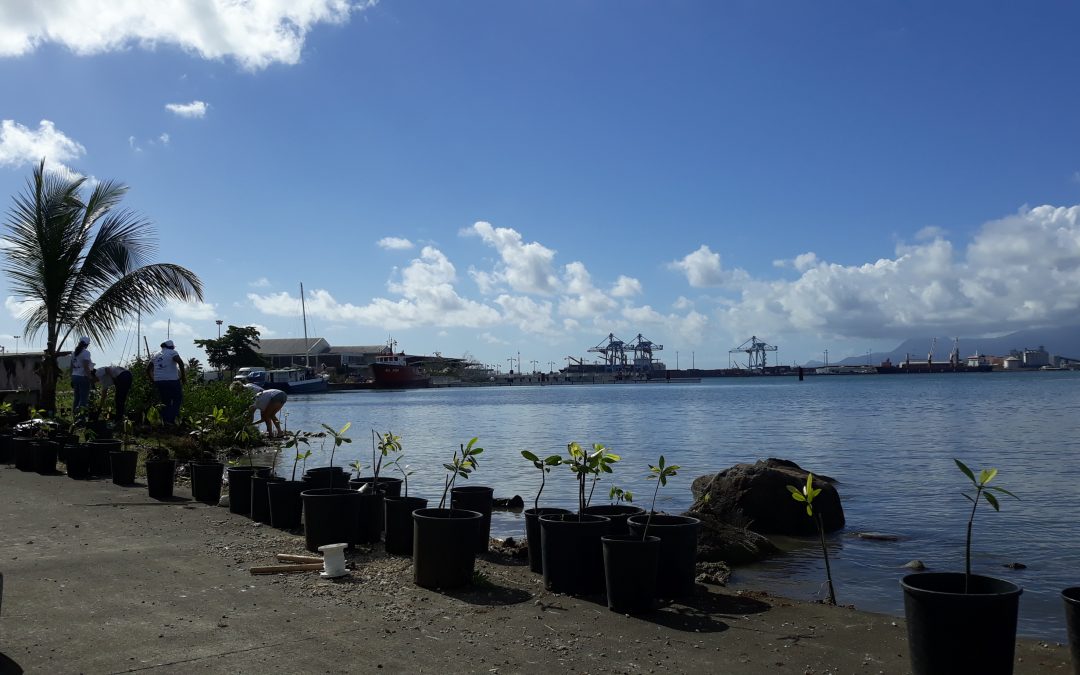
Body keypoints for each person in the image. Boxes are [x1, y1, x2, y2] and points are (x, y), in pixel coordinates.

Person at [147, 340, 185, 424]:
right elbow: (180, 362)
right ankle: (170, 419)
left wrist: (152, 380)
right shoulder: (172, 352)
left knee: (165, 401)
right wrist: (183, 377)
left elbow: (148, 369)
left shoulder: (155, 354)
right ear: (171, 347)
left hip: (159, 381)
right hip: (172, 380)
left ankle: (165, 420)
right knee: (177, 399)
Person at [70, 337, 94, 412]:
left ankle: (75, 416)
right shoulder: (86, 353)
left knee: (76, 398)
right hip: (82, 377)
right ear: (86, 344)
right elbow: (86, 367)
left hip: (75, 376)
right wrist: (90, 378)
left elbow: (71, 366)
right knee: (83, 399)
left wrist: (72, 377)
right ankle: (81, 418)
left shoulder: (74, 353)